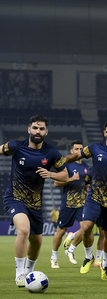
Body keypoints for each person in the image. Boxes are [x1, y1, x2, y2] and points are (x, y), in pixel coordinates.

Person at [1, 115, 68, 287]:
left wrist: (51, 174)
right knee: (23, 230)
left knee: (37, 241)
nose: (38, 131)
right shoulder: (16, 146)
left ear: (47, 132)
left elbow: (65, 175)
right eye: (35, 128)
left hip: (35, 203)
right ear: (29, 129)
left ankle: (29, 273)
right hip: (15, 197)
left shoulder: (51, 152)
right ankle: (19, 275)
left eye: (42, 129)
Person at [65, 120, 107, 280]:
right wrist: (62, 160)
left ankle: (106, 265)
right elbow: (76, 155)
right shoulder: (95, 148)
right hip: (94, 197)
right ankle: (89, 257)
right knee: (86, 227)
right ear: (104, 133)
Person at [50, 140, 90, 268]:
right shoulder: (66, 165)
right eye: (76, 149)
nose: (79, 151)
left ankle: (71, 249)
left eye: (81, 149)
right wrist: (71, 179)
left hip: (82, 204)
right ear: (71, 151)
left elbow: (86, 184)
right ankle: (54, 256)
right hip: (68, 203)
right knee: (61, 231)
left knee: (86, 229)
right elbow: (56, 183)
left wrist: (87, 188)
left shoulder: (85, 167)